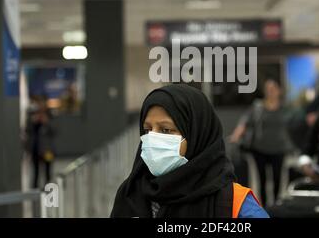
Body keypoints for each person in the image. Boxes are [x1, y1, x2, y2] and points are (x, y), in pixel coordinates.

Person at [111, 84, 269, 218]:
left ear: (197, 136)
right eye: (147, 129)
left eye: (166, 130)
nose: (153, 139)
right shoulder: (130, 194)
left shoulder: (234, 203)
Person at [229, 79, 294, 206]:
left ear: (279, 91)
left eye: (273, 89)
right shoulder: (258, 106)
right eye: (268, 89)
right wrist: (236, 135)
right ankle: (264, 207)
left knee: (277, 179)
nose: (270, 92)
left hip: (278, 149)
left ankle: (275, 205)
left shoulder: (285, 108)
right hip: (260, 149)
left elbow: (293, 126)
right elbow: (245, 122)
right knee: (262, 179)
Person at [24, 95, 56, 188]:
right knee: (36, 172)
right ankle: (34, 192)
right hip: (35, 149)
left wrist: (47, 122)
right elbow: (27, 130)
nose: (41, 105)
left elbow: (55, 131)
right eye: (39, 103)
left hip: (48, 149)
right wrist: (33, 122)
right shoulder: (32, 115)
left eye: (43, 103)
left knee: (47, 171)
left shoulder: (50, 115)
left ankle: (49, 190)